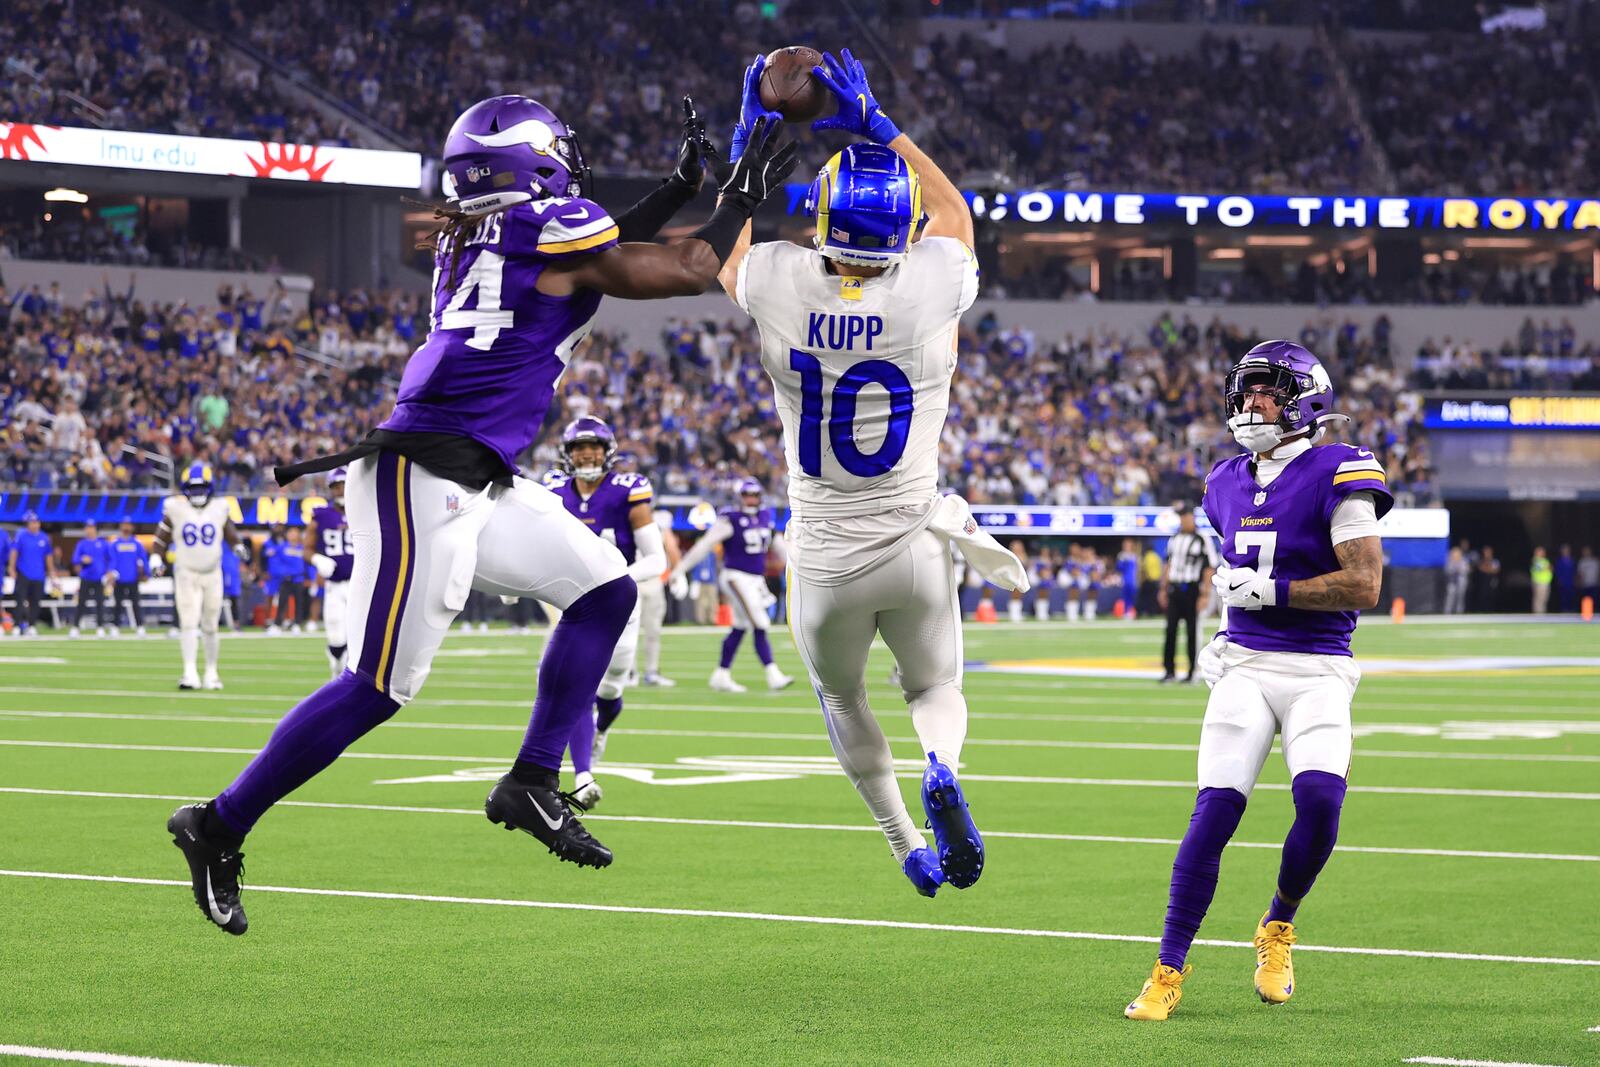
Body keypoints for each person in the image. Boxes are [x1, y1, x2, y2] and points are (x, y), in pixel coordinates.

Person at [166, 92, 796, 934]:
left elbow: (593, 247)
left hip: (475, 474)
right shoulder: (540, 230)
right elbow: (676, 269)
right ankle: (216, 823)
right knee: (378, 687)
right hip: (421, 474)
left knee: (608, 589)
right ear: (534, 164)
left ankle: (532, 778)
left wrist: (679, 187)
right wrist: (737, 200)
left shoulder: (468, 235)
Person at [712, 49, 1028, 897]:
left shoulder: (781, 279)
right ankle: (944, 763)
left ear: (820, 218)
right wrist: (880, 122)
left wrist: (750, 135)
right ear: (901, 230)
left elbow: (726, 249)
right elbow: (955, 212)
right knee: (934, 683)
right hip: (915, 539)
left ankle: (903, 845)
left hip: (824, 555)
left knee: (844, 700)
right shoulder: (928, 282)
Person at [1125, 340, 1389, 1021]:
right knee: (1213, 812)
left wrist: (1271, 592)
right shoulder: (1222, 482)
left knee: (1322, 802)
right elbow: (1233, 575)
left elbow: (1364, 582)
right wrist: (1222, 627)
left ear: (1305, 398)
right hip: (1244, 664)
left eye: (1267, 391)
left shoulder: (1340, 467)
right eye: (1244, 391)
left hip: (1318, 667)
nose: (1251, 403)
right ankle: (1167, 966)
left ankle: (1278, 922)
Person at [534, 417, 670, 808]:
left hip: (618, 604)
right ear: (567, 454)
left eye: (592, 447)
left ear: (607, 451)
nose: (586, 454)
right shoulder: (554, 491)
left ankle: (601, 730)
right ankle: (582, 775)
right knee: (580, 687)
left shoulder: (627, 490)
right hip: (575, 603)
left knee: (610, 691)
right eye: (579, 448)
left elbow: (656, 559)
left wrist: (609, 580)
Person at [669, 478, 793, 693]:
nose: (751, 499)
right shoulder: (730, 519)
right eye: (747, 495)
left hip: (755, 579)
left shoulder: (765, 517)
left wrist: (797, 566)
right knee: (760, 622)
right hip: (736, 576)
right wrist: (679, 569)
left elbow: (780, 547)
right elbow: (705, 545)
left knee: (740, 626)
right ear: (739, 497)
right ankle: (773, 674)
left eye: (754, 495)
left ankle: (721, 675)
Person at [150, 464, 249, 690]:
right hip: (186, 573)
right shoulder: (175, 507)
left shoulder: (219, 507)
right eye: (193, 489)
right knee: (188, 623)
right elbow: (161, 538)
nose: (197, 493)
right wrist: (156, 558)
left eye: (201, 488)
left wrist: (238, 546)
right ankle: (189, 672)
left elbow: (230, 532)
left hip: (212, 573)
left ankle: (212, 673)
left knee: (211, 625)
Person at [1159, 505, 1218, 684]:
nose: (1183, 520)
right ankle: (1169, 671)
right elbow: (1168, 564)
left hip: (1192, 590)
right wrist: (1163, 588)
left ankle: (1192, 672)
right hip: (1175, 589)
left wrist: (1204, 594)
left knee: (1192, 631)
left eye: (1186, 516)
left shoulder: (1202, 539)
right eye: (1181, 517)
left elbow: (1209, 567)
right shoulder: (1174, 538)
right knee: (1170, 630)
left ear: (1192, 518)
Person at [306, 468, 355, 674]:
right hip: (334, 585)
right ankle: (336, 664)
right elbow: (306, 549)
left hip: (359, 584)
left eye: (344, 485)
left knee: (358, 636)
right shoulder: (321, 515)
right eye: (336, 487)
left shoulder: (365, 512)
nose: (341, 491)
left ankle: (346, 678)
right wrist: (317, 559)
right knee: (336, 638)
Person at [637, 506, 686, 686]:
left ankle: (640, 672)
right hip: (635, 580)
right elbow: (671, 548)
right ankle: (639, 672)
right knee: (640, 631)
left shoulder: (658, 523)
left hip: (642, 580)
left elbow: (671, 547)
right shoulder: (652, 523)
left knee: (649, 631)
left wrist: (677, 573)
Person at [8, 512, 56, 635]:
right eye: (32, 522)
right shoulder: (21, 535)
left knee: (35, 601)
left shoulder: (44, 538)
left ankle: (32, 625)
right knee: (20, 599)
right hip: (23, 572)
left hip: (39, 574)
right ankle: (17, 625)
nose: (35, 525)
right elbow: (14, 552)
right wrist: (12, 568)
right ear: (28, 523)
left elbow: (48, 556)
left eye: (37, 522)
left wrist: (51, 572)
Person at [68, 519, 113, 637]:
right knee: (81, 603)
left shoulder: (103, 543)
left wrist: (109, 572)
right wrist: (82, 559)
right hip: (86, 577)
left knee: (100, 603)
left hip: (99, 578)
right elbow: (74, 559)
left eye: (91, 527)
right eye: (87, 527)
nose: (89, 530)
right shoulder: (82, 544)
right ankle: (75, 627)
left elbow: (111, 559)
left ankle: (100, 627)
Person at [107, 517, 149, 636]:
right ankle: (115, 627)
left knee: (136, 604)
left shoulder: (137, 544)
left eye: (128, 525)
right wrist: (111, 573)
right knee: (117, 604)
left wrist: (146, 573)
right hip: (119, 579)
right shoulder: (115, 543)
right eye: (124, 525)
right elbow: (112, 560)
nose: (126, 527)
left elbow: (143, 559)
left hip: (133, 578)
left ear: (132, 527)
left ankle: (140, 627)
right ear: (120, 526)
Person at [1442, 545, 1469, 615]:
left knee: (1460, 597)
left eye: (1457, 553)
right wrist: (1455, 569)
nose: (1455, 555)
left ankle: (1459, 612)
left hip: (1461, 581)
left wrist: (1459, 570)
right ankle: (1447, 612)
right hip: (1452, 581)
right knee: (1450, 597)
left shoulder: (1463, 561)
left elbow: (1465, 570)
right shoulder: (1449, 561)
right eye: (1454, 553)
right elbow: (1447, 570)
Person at [1553, 544, 1576, 613]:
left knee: (1571, 596)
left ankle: (1572, 609)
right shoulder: (1559, 561)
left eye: (1567, 550)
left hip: (1571, 582)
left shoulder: (1572, 561)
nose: (1565, 552)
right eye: (1564, 550)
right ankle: (1564, 610)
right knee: (1563, 597)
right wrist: (1559, 580)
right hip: (1562, 582)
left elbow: (1575, 571)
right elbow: (1557, 572)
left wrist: (1575, 580)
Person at [1529, 546, 1552, 615]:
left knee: (1544, 599)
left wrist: (1547, 567)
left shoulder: (1544, 560)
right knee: (1538, 599)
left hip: (1545, 582)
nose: (1542, 553)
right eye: (1540, 551)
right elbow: (1541, 568)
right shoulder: (1535, 560)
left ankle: (1542, 614)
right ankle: (1538, 614)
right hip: (1539, 582)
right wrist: (1547, 567)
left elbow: (1550, 568)